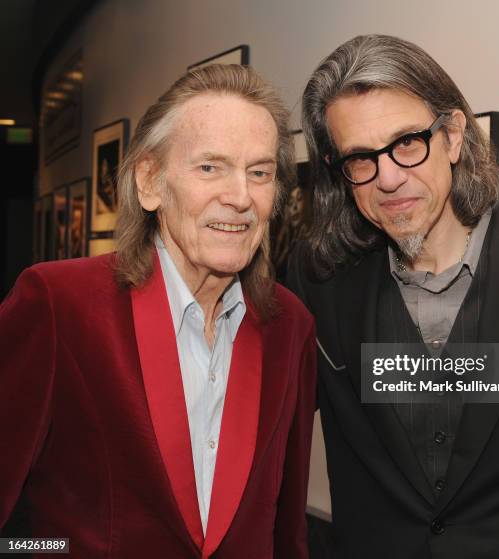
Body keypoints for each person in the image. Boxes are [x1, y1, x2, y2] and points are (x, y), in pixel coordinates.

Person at [288, 34, 499, 558]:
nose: (388, 178)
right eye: (361, 159)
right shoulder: (319, 280)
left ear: (454, 135)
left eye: (408, 143)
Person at [0, 64, 316, 559]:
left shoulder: (290, 325)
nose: (239, 198)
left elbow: (287, 530)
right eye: (210, 167)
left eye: (259, 173)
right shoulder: (60, 304)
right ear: (150, 181)